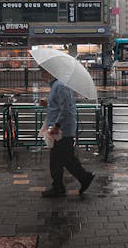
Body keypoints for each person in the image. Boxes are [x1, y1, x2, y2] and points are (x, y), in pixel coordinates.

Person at [39, 69, 94, 197]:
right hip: (60, 129)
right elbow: (59, 106)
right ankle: (63, 185)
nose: (42, 76)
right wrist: (47, 105)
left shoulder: (60, 86)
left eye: (43, 72)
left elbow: (66, 109)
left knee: (61, 159)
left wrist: (57, 126)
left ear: (50, 72)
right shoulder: (57, 86)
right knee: (62, 159)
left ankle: (80, 179)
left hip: (62, 130)